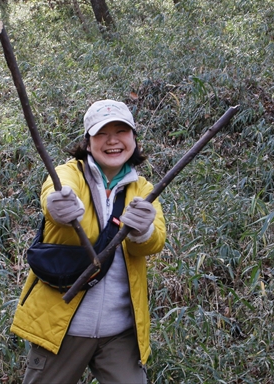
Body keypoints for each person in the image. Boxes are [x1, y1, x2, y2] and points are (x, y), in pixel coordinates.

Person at [11, 99, 166, 383]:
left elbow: (153, 242)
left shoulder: (142, 188)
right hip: (61, 328)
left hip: (119, 333)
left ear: (134, 138)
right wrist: (58, 205)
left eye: (121, 131)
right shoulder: (70, 174)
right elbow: (55, 191)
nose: (113, 141)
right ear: (88, 141)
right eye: (102, 134)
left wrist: (143, 231)